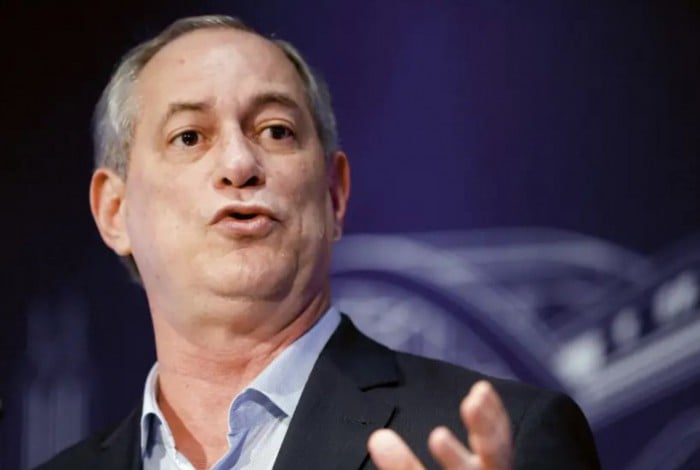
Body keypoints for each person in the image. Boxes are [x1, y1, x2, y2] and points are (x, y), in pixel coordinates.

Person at [37, 14, 600, 470]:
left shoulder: (505, 439)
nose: (239, 163)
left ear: (334, 194)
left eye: (276, 131)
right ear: (115, 211)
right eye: (189, 137)